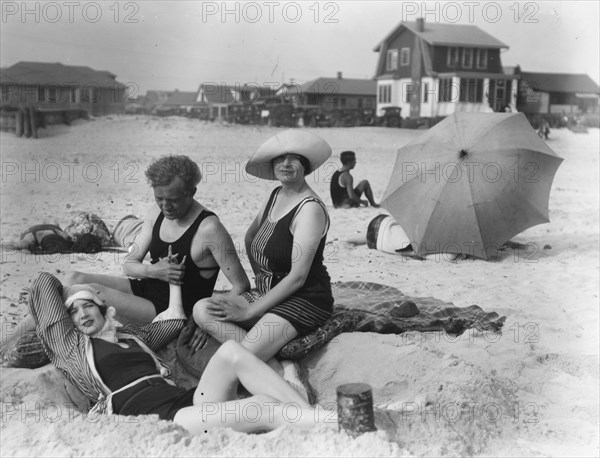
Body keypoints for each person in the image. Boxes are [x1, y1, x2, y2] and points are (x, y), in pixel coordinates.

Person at [28, 270, 333, 433]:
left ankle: (310, 417)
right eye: (73, 312)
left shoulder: (132, 335)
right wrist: (75, 290)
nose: (82, 314)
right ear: (65, 322)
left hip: (185, 402)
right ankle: (333, 423)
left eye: (87, 306)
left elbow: (172, 322)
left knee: (231, 352)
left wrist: (174, 285)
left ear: (103, 309)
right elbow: (43, 282)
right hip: (162, 419)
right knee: (263, 408)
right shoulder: (71, 346)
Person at [192, 130, 334, 373]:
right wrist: (261, 280)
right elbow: (250, 238)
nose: (285, 164)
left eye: (294, 159)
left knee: (240, 359)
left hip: (304, 299)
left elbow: (298, 277)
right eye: (279, 159)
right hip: (267, 292)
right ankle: (276, 363)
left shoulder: (309, 209)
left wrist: (249, 310)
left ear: (306, 166)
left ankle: (284, 375)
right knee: (202, 309)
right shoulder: (277, 194)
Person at [63, 155, 250, 325]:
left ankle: (41, 326)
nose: (165, 206)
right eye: (159, 198)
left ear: (191, 192)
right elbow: (129, 265)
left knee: (90, 291)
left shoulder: (209, 228)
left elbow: (241, 285)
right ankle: (41, 322)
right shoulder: (156, 213)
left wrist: (207, 320)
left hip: (172, 310)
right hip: (146, 288)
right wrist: (153, 271)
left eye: (172, 200)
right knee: (74, 278)